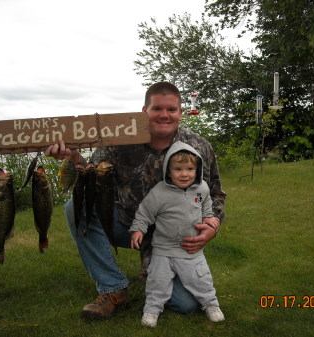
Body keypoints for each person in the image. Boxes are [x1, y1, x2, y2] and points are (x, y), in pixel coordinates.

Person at [44, 81, 226, 320]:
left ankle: (152, 269)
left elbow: (215, 193)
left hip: (174, 237)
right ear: (144, 111)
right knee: (75, 207)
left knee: (186, 304)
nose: (164, 115)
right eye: (157, 109)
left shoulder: (198, 146)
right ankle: (113, 289)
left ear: (180, 113)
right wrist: (73, 156)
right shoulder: (120, 139)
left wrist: (213, 226)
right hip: (127, 225)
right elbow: (90, 174)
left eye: (171, 110)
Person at [130, 141, 224, 327]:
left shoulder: (202, 188)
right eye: (178, 169)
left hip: (190, 249)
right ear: (168, 170)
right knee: (158, 282)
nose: (184, 174)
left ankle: (210, 304)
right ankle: (151, 310)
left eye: (189, 169)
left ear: (196, 170)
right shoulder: (159, 192)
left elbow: (205, 205)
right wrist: (138, 229)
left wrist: (208, 218)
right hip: (163, 249)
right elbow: (144, 212)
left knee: (201, 279)